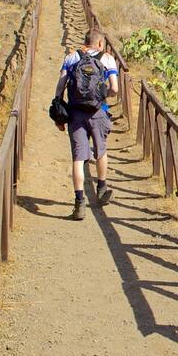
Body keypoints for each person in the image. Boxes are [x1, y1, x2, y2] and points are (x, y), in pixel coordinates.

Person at [54, 29, 118, 219]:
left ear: (85, 41)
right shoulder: (107, 59)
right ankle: (101, 188)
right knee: (101, 151)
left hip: (75, 113)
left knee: (78, 157)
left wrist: (59, 113)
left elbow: (59, 88)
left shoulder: (71, 57)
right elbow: (114, 88)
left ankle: (79, 203)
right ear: (100, 43)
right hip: (99, 112)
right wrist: (102, 96)